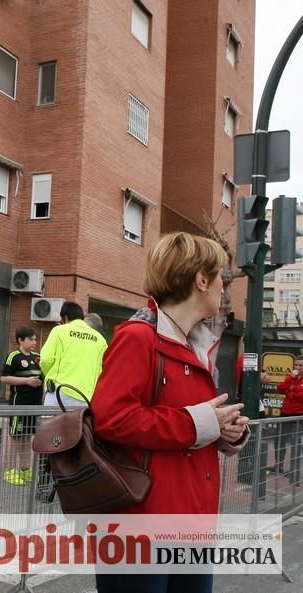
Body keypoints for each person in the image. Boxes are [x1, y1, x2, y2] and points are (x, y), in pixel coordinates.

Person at [90, 232, 249, 593]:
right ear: (201, 280)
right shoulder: (138, 338)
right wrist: (202, 423)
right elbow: (111, 418)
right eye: (220, 276)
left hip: (192, 522)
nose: (224, 286)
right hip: (141, 526)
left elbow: (194, 423)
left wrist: (226, 431)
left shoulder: (199, 346)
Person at [39, 301, 107, 407]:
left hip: (58, 392)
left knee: (51, 424)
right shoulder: (100, 340)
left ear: (65, 317)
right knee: (77, 424)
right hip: (86, 396)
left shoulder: (59, 331)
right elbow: (103, 369)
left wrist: (50, 375)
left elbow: (46, 359)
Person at [0, 326, 43, 485]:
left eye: (35, 339)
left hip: (34, 406)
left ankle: (25, 470)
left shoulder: (38, 357)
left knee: (26, 438)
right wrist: (26, 381)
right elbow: (4, 379)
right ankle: (10, 470)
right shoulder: (13, 356)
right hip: (19, 405)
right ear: (20, 340)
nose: (34, 342)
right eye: (31, 339)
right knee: (16, 437)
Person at [275, 355, 303, 484]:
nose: (297, 367)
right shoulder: (290, 377)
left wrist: (290, 392)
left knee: (296, 443)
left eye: (300, 365)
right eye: (296, 365)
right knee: (280, 440)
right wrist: (290, 379)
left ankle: (294, 470)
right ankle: (279, 466)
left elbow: (300, 396)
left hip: (299, 416)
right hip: (286, 413)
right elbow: (280, 388)